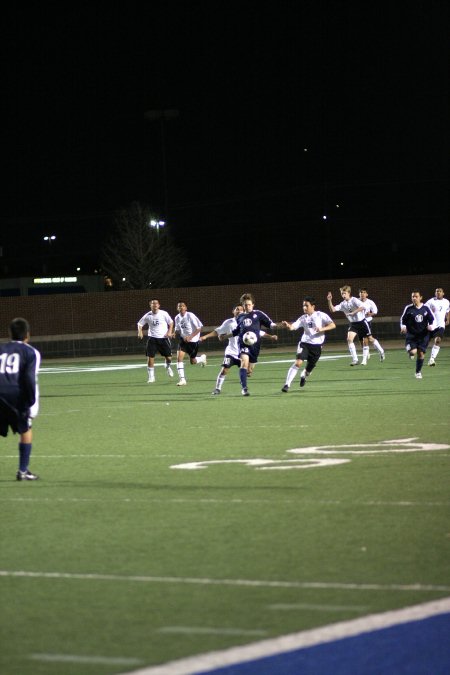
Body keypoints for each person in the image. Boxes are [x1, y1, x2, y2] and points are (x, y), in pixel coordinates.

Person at [0, 318, 41, 480]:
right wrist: (31, 401)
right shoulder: (30, 352)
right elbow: (29, 377)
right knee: (25, 429)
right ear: (27, 335)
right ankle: (23, 471)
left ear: (9, 333)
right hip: (15, 396)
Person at [280, 297, 336, 391]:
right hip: (304, 344)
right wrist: (288, 326)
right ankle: (287, 385)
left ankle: (303, 376)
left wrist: (322, 329)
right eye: (303, 305)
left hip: (317, 347)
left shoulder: (321, 315)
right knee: (298, 363)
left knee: (308, 370)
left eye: (307, 305)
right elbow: (293, 327)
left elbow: (333, 325)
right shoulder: (303, 318)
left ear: (313, 306)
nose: (304, 307)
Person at [231, 293, 279, 396]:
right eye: (244, 305)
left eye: (248, 304)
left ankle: (244, 377)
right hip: (243, 344)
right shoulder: (240, 317)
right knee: (244, 363)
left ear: (253, 304)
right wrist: (225, 336)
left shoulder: (258, 314)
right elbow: (236, 331)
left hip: (255, 346)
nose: (247, 306)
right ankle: (244, 388)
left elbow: (270, 324)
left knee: (249, 370)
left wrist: (279, 326)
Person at [327, 285, 371, 365]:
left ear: (349, 293)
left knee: (366, 341)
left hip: (361, 322)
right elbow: (333, 309)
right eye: (342, 293)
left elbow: (363, 307)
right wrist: (330, 300)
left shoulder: (354, 300)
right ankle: (355, 359)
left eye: (344, 293)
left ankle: (364, 360)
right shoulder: (343, 304)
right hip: (353, 324)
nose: (343, 295)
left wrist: (353, 312)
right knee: (349, 339)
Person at [400, 290, 435, 379]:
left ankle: (418, 372)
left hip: (423, 335)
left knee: (421, 354)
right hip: (412, 335)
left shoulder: (426, 308)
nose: (414, 298)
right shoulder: (408, 308)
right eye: (413, 297)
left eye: (416, 296)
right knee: (413, 352)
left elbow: (432, 319)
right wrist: (403, 327)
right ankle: (409, 350)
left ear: (420, 297)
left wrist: (431, 326)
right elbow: (402, 320)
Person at [137, 299, 174, 382]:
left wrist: (169, 331)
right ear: (150, 306)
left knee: (169, 358)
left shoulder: (164, 313)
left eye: (156, 303)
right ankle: (151, 377)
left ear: (159, 305)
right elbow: (139, 324)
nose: (155, 305)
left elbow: (171, 323)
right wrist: (140, 332)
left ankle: (167, 366)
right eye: (153, 304)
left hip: (164, 338)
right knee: (150, 358)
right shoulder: (147, 315)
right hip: (152, 338)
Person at [174, 302, 207, 385]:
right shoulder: (177, 317)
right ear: (177, 308)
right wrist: (174, 333)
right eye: (179, 306)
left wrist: (190, 337)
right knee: (179, 359)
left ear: (186, 308)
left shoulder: (190, 315)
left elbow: (199, 328)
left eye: (182, 306)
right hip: (183, 340)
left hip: (193, 341)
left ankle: (202, 358)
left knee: (193, 361)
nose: (181, 307)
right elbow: (177, 329)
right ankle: (182, 380)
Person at [358, 288, 386, 362]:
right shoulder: (356, 301)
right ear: (359, 294)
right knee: (361, 340)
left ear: (367, 294)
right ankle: (369, 352)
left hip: (367, 321)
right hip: (358, 323)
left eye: (364, 292)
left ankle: (379, 351)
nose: (362, 294)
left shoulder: (370, 302)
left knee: (367, 339)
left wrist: (369, 314)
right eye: (361, 292)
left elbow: (375, 311)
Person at [425, 287, 449, 366]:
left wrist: (448, 319)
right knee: (424, 343)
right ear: (435, 293)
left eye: (440, 291)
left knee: (438, 340)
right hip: (431, 326)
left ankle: (432, 359)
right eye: (437, 291)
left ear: (443, 293)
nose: (438, 292)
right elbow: (423, 310)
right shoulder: (430, 301)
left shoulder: (446, 302)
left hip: (440, 325)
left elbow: (448, 311)